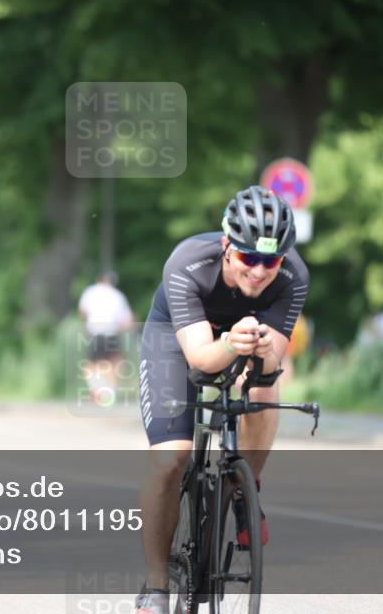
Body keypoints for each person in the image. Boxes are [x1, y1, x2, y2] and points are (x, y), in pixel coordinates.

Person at [133, 186, 308, 614]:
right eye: (250, 257)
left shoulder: (293, 277)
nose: (260, 271)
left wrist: (264, 355)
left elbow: (269, 367)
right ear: (228, 246)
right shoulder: (188, 263)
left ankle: (242, 489)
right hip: (179, 339)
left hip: (241, 338)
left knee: (267, 386)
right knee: (170, 460)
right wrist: (231, 341)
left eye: (272, 260)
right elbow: (200, 360)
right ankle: (156, 586)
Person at [78, 270, 135, 404]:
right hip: (111, 332)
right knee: (114, 362)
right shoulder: (118, 295)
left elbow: (82, 311)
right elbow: (127, 320)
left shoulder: (90, 291)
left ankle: (96, 387)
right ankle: (109, 390)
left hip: (95, 332)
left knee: (92, 364)